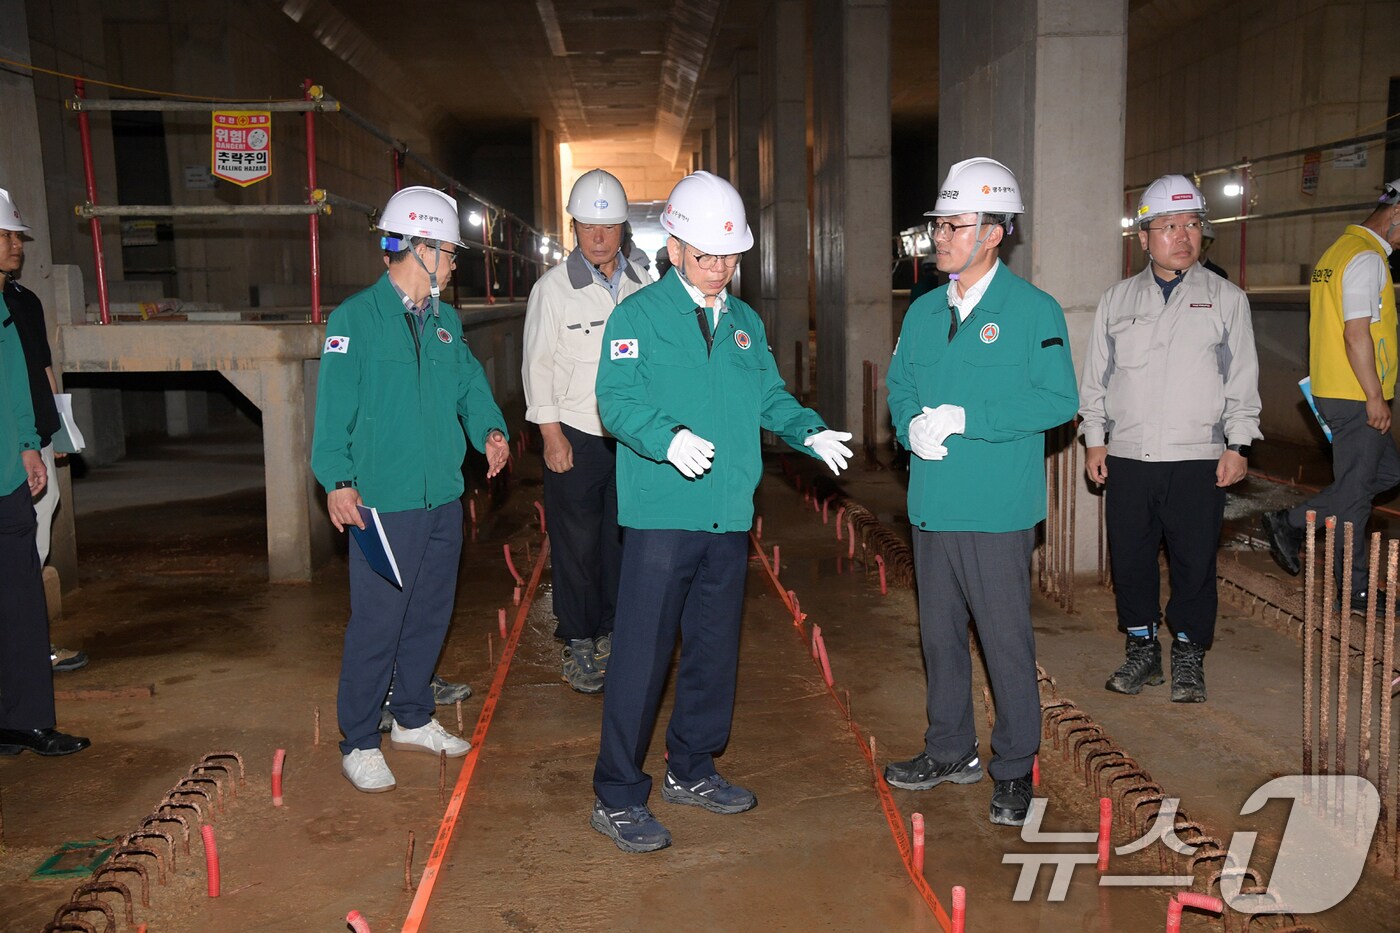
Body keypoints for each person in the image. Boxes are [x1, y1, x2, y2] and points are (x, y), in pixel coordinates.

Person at [589, 171, 852, 852]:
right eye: (707, 256)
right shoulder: (637, 318)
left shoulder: (744, 323)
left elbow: (770, 396)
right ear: (674, 248)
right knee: (642, 657)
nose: (720, 270)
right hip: (660, 516)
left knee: (712, 649)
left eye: (731, 257)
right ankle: (617, 792)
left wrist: (807, 428)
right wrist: (666, 438)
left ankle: (692, 766)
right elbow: (614, 401)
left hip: (728, 516)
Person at [883, 158, 1077, 827]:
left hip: (996, 509)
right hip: (933, 504)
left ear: (992, 233)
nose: (939, 236)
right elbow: (899, 383)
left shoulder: (1032, 312)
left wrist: (970, 418)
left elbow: (1058, 399)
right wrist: (910, 426)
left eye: (954, 225)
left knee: (1004, 641)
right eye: (939, 224)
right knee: (938, 636)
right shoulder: (924, 312)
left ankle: (1015, 767)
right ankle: (950, 748)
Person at [312, 186, 510, 793]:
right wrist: (338, 481)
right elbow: (332, 413)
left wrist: (492, 430)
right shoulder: (355, 320)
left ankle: (414, 719)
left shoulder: (447, 322)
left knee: (429, 614)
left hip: (441, 498)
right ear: (420, 250)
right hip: (381, 502)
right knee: (378, 622)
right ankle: (360, 739)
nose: (454, 263)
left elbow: (470, 389)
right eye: (449, 252)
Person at [1079, 174, 1262, 704]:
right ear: (1143, 237)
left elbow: (1242, 379)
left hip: (1198, 458)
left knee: (1194, 560)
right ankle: (1141, 650)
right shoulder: (1117, 300)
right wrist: (1095, 439)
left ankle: (1187, 653)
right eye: (1168, 226)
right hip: (1130, 455)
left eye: (1192, 225)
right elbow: (1097, 380)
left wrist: (1239, 443)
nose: (1183, 236)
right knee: (1131, 559)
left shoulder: (1226, 299)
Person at [523, 169, 646, 694]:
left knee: (625, 539)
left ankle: (617, 630)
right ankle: (579, 640)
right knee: (575, 544)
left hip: (634, 438)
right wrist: (551, 436)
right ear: (573, 227)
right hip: (575, 433)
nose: (598, 237)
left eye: (609, 226)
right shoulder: (553, 290)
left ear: (623, 228)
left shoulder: (646, 285)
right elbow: (537, 366)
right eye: (588, 226)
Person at [1262, 179, 1400, 611]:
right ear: (1397, 215)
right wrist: (1375, 396)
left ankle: (1301, 523)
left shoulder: (1338, 251)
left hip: (1336, 389)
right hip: (1356, 394)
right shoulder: (1365, 259)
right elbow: (1355, 334)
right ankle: (1351, 587)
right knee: (1355, 496)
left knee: (1385, 474)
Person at [0, 186, 89, 757]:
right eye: (6, 235)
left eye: (15, 236)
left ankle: (24, 720)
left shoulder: (17, 307)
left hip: (8, 475)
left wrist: (36, 442)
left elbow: (20, 386)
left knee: (19, 594)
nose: (15, 245)